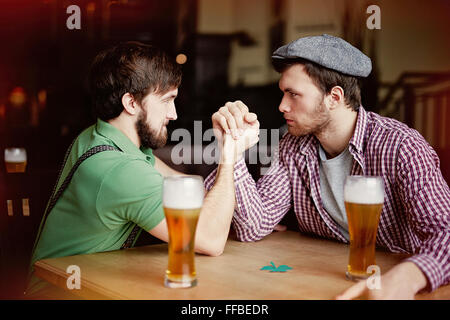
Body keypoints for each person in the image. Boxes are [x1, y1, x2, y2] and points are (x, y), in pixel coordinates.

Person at [206, 34, 450, 299]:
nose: (281, 105)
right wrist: (231, 151)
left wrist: (407, 277)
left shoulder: (402, 147)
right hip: (324, 281)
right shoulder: (293, 146)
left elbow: (445, 234)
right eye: (283, 93)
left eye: (294, 94)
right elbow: (253, 225)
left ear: (334, 97)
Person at [25, 41, 252, 298]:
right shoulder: (119, 170)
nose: (174, 114)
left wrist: (246, 204)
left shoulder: (105, 139)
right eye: (167, 100)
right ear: (131, 103)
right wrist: (229, 155)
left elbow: (186, 188)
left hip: (84, 285)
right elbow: (211, 240)